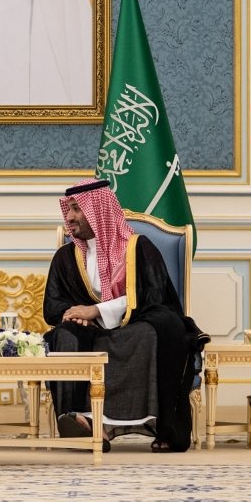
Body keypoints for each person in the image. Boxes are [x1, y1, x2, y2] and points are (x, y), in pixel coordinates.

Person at [44, 178, 206, 452]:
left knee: (152, 331)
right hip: (91, 330)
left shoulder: (137, 248)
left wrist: (97, 309)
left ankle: (107, 425)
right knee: (64, 335)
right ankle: (80, 421)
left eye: (76, 209)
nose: (69, 217)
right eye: (67, 209)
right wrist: (76, 315)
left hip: (135, 324)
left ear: (98, 211)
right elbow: (52, 306)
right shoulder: (66, 256)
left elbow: (155, 297)